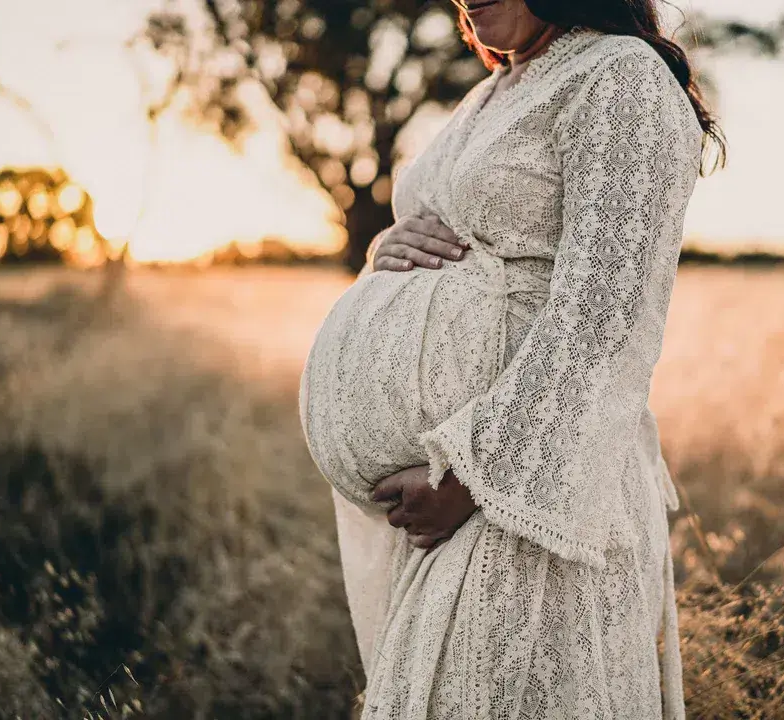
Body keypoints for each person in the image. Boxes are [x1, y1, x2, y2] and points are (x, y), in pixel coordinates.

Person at [299, 1, 725, 717]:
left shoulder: (620, 78)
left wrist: (468, 477)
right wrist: (386, 253)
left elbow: (605, 317)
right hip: (454, 508)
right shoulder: (496, 89)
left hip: (526, 497)